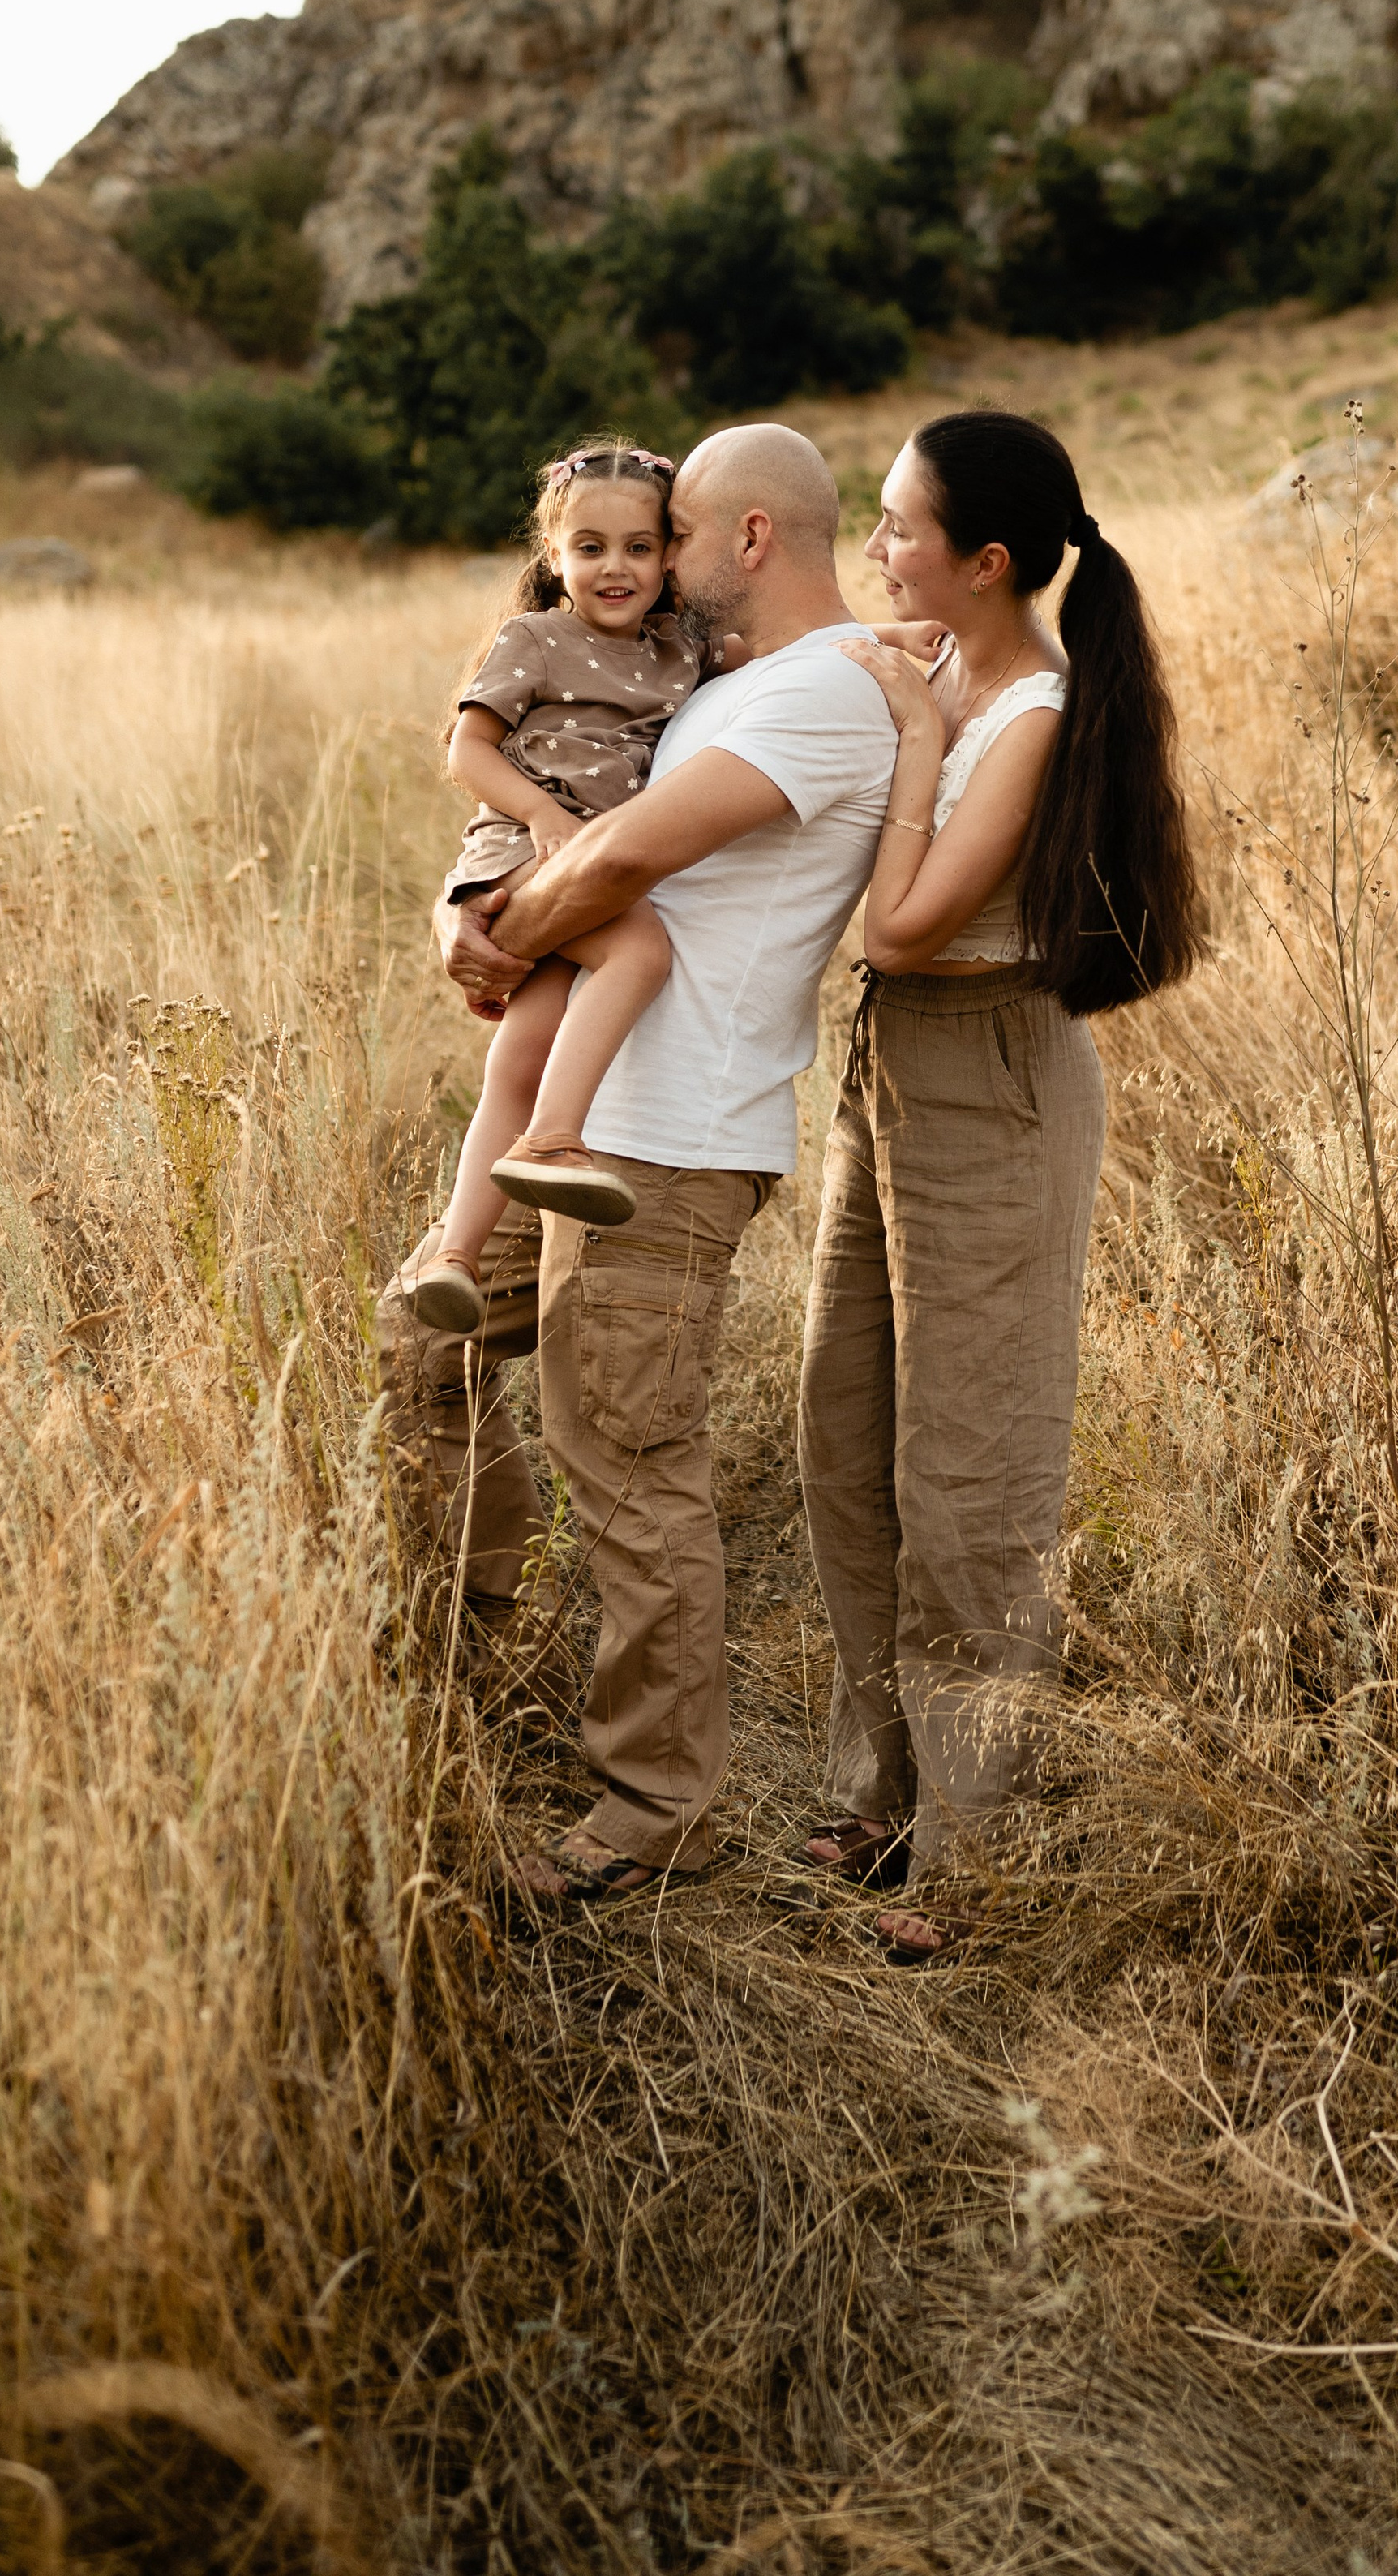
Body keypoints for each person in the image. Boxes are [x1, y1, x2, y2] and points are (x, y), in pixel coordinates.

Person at [378, 423, 904, 1908]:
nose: (646, 566)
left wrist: (493, 926)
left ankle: (655, 1806)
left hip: (668, 1144)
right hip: (583, 1113)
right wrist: (459, 907)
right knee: (424, 1358)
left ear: (742, 539)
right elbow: (547, 783)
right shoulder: (735, 678)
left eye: (668, 534)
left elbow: (613, 870)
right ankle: (451, 1676)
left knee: (624, 1458)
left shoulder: (816, 697)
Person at [795, 408, 1203, 1964]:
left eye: (900, 527)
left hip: (990, 1071)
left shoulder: (1025, 709)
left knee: (971, 1476)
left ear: (984, 561)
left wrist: (905, 739)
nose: (876, 547)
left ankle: (975, 1854)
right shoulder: (938, 662)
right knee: (849, 1433)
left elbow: (899, 924)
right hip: (890, 1066)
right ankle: (878, 1789)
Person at [396, 440, 738, 1336]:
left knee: (522, 1049)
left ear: (670, 557)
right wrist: (542, 818)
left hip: (586, 868)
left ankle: (455, 1258)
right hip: (521, 846)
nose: (613, 568)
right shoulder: (536, 638)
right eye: (589, 548)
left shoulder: (680, 648)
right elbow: (466, 749)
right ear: (554, 557)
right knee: (638, 949)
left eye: (636, 547)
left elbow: (785, 644)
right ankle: (553, 1139)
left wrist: (889, 639)